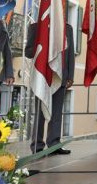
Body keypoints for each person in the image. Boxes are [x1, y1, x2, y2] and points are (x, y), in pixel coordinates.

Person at [25, 22, 75, 154]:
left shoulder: (67, 28)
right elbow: (28, 52)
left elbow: (70, 53)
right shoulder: (36, 27)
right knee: (40, 114)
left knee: (57, 113)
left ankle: (54, 145)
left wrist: (70, 75)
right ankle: (37, 146)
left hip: (60, 76)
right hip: (42, 76)